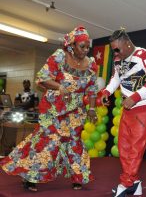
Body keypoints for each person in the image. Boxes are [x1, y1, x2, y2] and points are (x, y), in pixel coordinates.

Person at [0, 26, 98, 192]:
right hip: (53, 109)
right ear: (72, 45)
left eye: (88, 46)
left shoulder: (91, 64)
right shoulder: (59, 56)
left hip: (75, 111)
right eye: (82, 46)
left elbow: (92, 90)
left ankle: (78, 177)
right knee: (48, 142)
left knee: (74, 143)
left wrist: (92, 109)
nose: (86, 50)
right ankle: (31, 177)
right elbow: (42, 79)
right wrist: (59, 86)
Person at [101, 28, 146, 197]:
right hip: (128, 107)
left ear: (127, 43)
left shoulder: (144, 55)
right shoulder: (118, 58)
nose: (116, 52)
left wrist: (135, 97)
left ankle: (126, 183)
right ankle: (135, 183)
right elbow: (116, 78)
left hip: (145, 106)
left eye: (118, 48)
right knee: (124, 147)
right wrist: (107, 92)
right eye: (114, 49)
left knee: (135, 148)